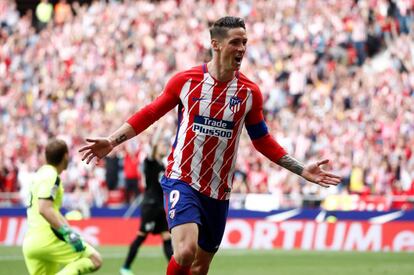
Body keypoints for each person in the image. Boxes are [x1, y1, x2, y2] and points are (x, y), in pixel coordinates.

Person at [79, 16, 341, 275]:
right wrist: (112, 140)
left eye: (244, 43)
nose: (241, 49)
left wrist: (301, 169)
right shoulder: (186, 81)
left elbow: (262, 140)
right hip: (182, 179)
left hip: (218, 192)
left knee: (199, 267)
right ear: (215, 44)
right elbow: (150, 113)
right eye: (235, 42)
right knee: (184, 252)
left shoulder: (249, 93)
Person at [23, 139, 102, 275]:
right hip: (48, 238)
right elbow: (44, 208)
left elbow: (49, 209)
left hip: (30, 242)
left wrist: (68, 228)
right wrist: (68, 232)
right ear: (66, 156)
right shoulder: (51, 176)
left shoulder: (39, 175)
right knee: (95, 260)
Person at [120, 125, 173, 275]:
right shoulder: (150, 163)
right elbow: (153, 145)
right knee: (141, 237)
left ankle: (177, 271)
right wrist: (159, 130)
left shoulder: (162, 165)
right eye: (162, 145)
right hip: (150, 206)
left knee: (166, 237)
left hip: (160, 207)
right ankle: (125, 267)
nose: (164, 147)